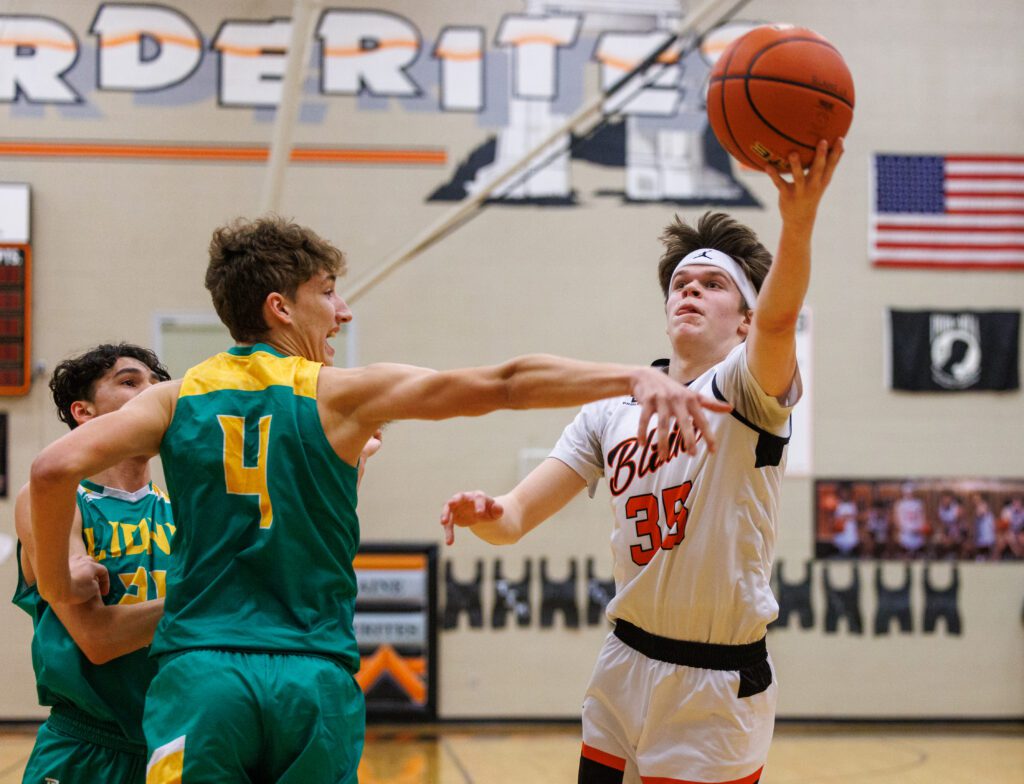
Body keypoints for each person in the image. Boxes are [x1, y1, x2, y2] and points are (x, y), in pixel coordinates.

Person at [28, 216, 718, 784]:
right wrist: (631, 375)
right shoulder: (341, 393)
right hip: (313, 680)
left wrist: (60, 588)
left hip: (202, 675)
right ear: (281, 306)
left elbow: (53, 468)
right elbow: (504, 382)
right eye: (329, 291)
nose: (343, 309)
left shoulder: (175, 398)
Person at [441, 139, 844, 784]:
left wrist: (798, 223)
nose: (690, 292)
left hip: (716, 684)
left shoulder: (746, 393)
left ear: (743, 321)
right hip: (623, 662)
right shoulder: (611, 408)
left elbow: (780, 321)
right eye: (681, 284)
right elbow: (516, 517)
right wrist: (489, 512)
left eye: (714, 285)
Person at [14, 343, 173, 783]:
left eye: (158, 385)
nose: (152, 393)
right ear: (83, 412)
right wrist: (211, 596)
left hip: (173, 744)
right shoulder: (53, 500)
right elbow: (97, 639)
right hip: (85, 748)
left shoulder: (184, 508)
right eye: (129, 382)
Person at [892, 482, 927, 559]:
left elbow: (922, 517)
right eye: (907, 492)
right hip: (905, 532)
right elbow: (896, 518)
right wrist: (900, 529)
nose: (909, 494)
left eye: (911, 492)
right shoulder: (899, 504)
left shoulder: (919, 503)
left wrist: (921, 529)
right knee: (905, 553)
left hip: (917, 531)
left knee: (917, 553)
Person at [831, 483, 861, 557]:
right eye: (843, 492)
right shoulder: (836, 504)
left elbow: (857, 517)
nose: (844, 494)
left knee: (850, 552)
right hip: (840, 532)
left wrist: (847, 517)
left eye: (846, 492)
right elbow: (833, 518)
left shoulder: (854, 505)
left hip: (850, 533)